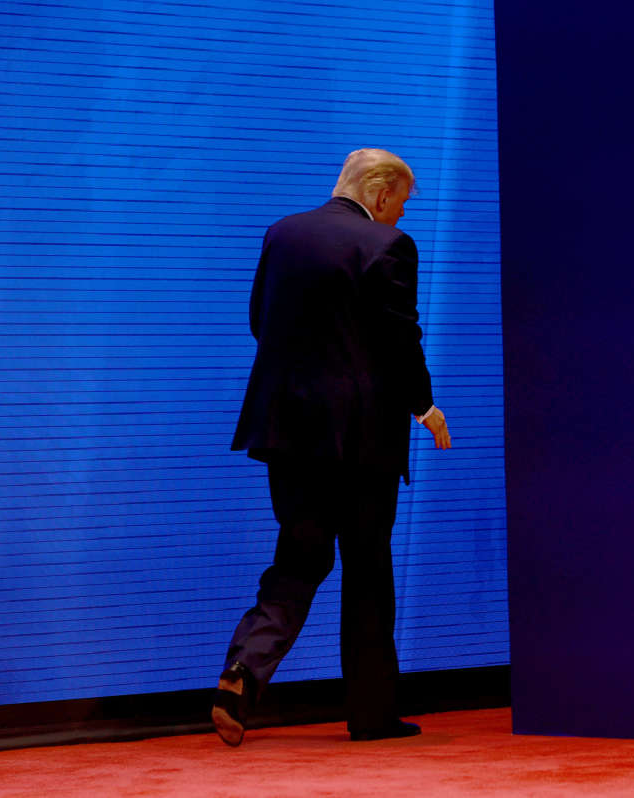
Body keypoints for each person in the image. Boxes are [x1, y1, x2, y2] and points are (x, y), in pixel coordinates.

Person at [212, 149, 451, 746]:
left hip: (289, 432)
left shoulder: (282, 234)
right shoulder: (386, 246)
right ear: (377, 194)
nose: (399, 216)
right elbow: (400, 339)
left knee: (299, 557)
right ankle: (371, 715)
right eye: (398, 203)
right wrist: (424, 405)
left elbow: (258, 322)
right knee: (367, 568)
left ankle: (245, 668)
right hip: (363, 439)